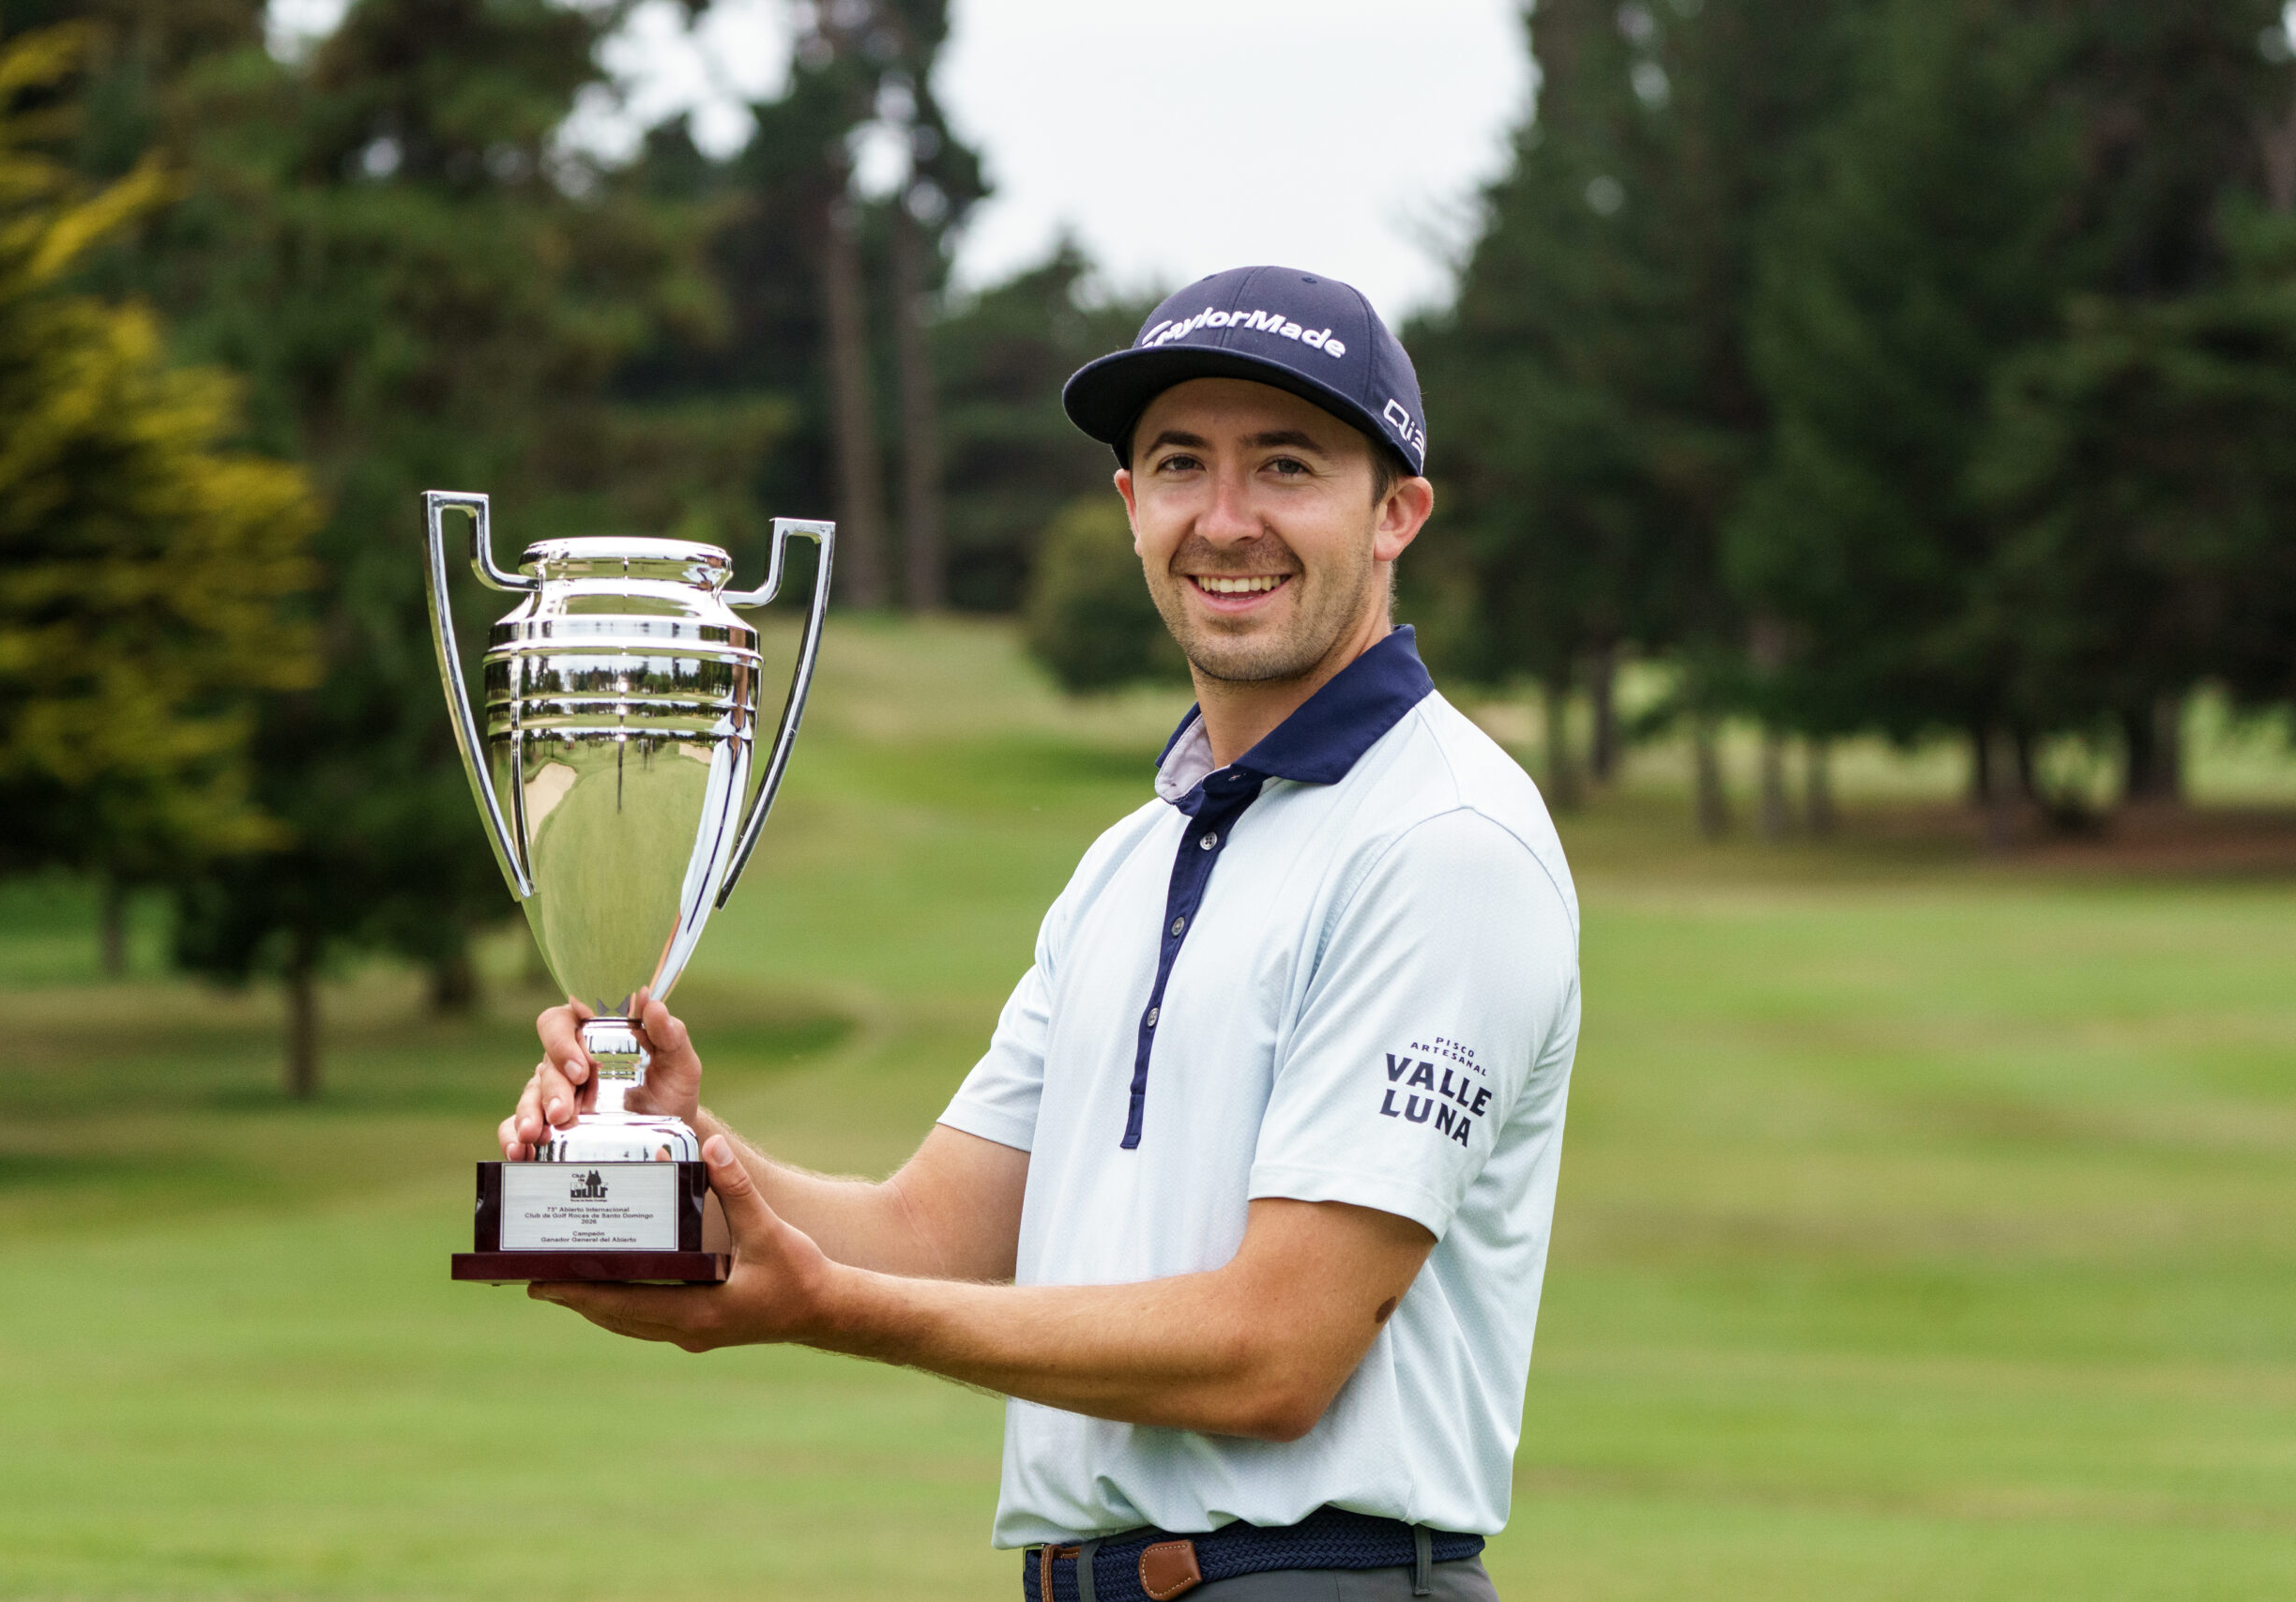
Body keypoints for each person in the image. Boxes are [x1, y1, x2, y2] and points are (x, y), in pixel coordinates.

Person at [499, 266, 1581, 1602]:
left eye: (1287, 466)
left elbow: (1278, 1353)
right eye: (1180, 465)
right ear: (1131, 507)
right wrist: (681, 1162)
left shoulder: (1441, 840)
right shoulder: (1131, 861)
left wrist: (823, 1310)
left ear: (1396, 514)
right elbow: (930, 1233)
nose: (1225, 519)